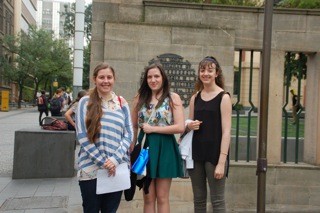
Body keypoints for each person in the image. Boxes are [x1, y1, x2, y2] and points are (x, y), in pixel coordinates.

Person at [75, 62, 133, 213]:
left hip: (116, 169)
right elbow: (82, 136)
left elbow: (128, 134)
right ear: (95, 79)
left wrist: (114, 160)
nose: (105, 81)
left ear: (114, 79)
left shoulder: (122, 103)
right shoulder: (85, 102)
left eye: (109, 77)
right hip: (91, 170)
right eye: (101, 77)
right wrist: (104, 162)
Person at [131, 63, 185, 213]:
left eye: (156, 76)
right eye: (149, 77)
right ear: (146, 79)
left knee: (162, 197)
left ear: (163, 78)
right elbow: (133, 126)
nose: (153, 80)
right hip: (145, 148)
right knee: (148, 196)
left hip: (165, 148)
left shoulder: (173, 97)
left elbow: (180, 127)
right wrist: (132, 148)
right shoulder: (139, 97)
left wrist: (153, 129)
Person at [186, 56, 232, 212]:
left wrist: (221, 162)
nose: (206, 73)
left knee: (217, 201)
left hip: (215, 155)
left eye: (210, 70)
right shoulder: (195, 98)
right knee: (198, 200)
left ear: (217, 73)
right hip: (196, 154)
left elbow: (226, 132)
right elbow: (188, 125)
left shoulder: (223, 97)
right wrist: (189, 125)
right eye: (202, 70)